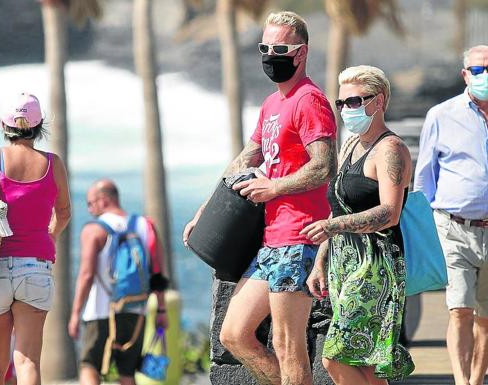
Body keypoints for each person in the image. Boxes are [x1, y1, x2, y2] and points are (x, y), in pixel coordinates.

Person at [183, 11, 336, 385]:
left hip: (300, 237)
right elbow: (244, 160)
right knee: (233, 334)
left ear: (301, 53)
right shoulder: (271, 105)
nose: (270, 55)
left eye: (280, 48)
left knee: (288, 343)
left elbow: (324, 166)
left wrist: (274, 188)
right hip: (270, 242)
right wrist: (205, 211)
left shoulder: (310, 100)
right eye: (264, 47)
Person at [302, 65, 415, 384]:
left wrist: (335, 227)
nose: (345, 110)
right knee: (364, 364)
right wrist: (321, 262)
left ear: (378, 102)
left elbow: (390, 213)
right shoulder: (352, 145)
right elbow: (338, 207)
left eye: (353, 102)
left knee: (333, 359)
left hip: (375, 268)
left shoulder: (391, 149)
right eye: (341, 104)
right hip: (345, 266)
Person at [0, 93, 71, 385]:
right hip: (36, 267)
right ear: (39, 124)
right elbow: (65, 212)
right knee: (28, 361)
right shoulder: (52, 163)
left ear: (3, 124)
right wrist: (50, 235)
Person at [414, 45, 488, 385]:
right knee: (460, 310)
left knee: (486, 319)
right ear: (465, 74)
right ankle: (461, 382)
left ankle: (475, 380)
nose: (484, 75)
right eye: (478, 70)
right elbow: (424, 177)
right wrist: (423, 230)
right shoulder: (441, 115)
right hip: (453, 227)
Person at [68, 179, 169, 385]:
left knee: (89, 366)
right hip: (135, 310)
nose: (90, 209)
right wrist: (161, 310)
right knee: (127, 372)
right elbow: (157, 273)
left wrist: (75, 314)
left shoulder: (94, 230)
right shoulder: (146, 225)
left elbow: (86, 275)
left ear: (103, 200)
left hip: (100, 312)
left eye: (90, 203)